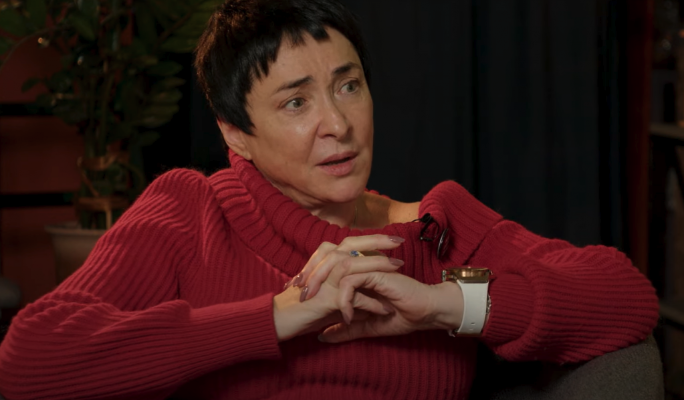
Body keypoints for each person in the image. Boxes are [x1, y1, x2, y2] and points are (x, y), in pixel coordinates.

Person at [0, 0, 658, 399]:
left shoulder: (436, 225)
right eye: (295, 102)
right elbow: (30, 363)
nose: (338, 125)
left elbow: (625, 298)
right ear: (235, 133)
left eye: (348, 86)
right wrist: (279, 316)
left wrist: (444, 305)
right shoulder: (190, 211)